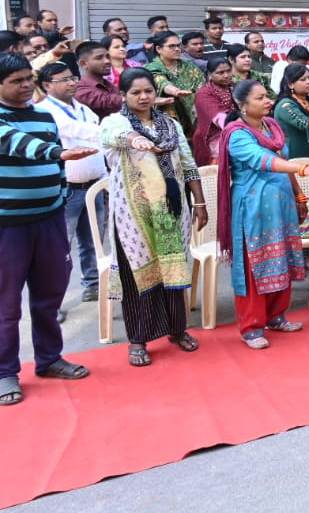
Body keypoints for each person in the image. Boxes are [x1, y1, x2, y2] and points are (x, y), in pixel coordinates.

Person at [0, 53, 96, 405]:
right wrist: (57, 153)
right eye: (16, 80)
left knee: (49, 295)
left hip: (49, 218)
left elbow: (54, 169)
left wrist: (58, 193)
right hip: (8, 224)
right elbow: (16, 144)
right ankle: (5, 372)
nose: (26, 85)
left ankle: (49, 358)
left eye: (28, 78)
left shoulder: (43, 116)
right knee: (6, 303)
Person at [100, 67, 207, 367]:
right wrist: (137, 139)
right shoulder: (115, 122)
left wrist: (200, 203)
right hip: (134, 217)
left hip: (172, 212)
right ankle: (138, 340)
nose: (144, 96)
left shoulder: (169, 125)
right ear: (123, 95)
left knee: (173, 271)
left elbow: (187, 165)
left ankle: (177, 329)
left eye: (148, 91)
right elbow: (115, 136)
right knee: (139, 275)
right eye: (136, 92)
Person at [217, 79, 309, 348]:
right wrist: (303, 170)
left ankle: (276, 316)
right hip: (254, 207)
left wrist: (298, 194)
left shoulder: (272, 127)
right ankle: (251, 326)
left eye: (266, 96)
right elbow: (263, 161)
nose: (267, 101)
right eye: (260, 98)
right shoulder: (236, 134)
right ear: (242, 104)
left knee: (281, 257)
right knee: (254, 266)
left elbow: (284, 160)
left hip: (280, 205)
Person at [37, 61, 107, 305]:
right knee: (59, 247)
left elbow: (93, 136)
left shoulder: (82, 107)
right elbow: (71, 129)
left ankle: (93, 285)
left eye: (72, 77)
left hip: (95, 184)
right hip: (68, 189)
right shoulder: (44, 110)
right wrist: (104, 131)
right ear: (47, 85)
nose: (71, 82)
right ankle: (50, 300)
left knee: (93, 241)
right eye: (63, 79)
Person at [145, 31, 203, 138]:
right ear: (159, 49)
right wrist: (175, 91)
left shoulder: (189, 67)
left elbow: (201, 87)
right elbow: (160, 81)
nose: (177, 49)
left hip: (194, 119)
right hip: (164, 124)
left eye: (178, 45)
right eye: (171, 46)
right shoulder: (150, 68)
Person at [192, 58, 237, 166]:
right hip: (212, 139)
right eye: (220, 73)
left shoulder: (235, 87)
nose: (226, 75)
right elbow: (218, 117)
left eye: (228, 71)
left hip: (234, 132)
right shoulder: (204, 93)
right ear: (210, 75)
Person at [273, 64, 309, 159]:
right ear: (290, 84)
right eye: (303, 80)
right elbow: (307, 124)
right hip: (296, 157)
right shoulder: (285, 105)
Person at [77, 40, 129, 120]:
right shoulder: (79, 88)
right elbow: (105, 101)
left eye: (108, 57)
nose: (107, 61)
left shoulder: (110, 86)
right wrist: (135, 99)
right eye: (99, 58)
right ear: (83, 64)